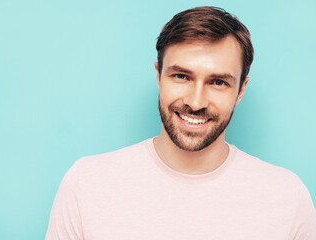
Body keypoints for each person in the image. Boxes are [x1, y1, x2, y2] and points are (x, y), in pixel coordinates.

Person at [45, 6, 316, 239]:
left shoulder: (287, 197)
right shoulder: (87, 184)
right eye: (181, 77)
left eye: (218, 82)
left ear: (241, 91)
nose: (196, 102)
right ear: (158, 75)